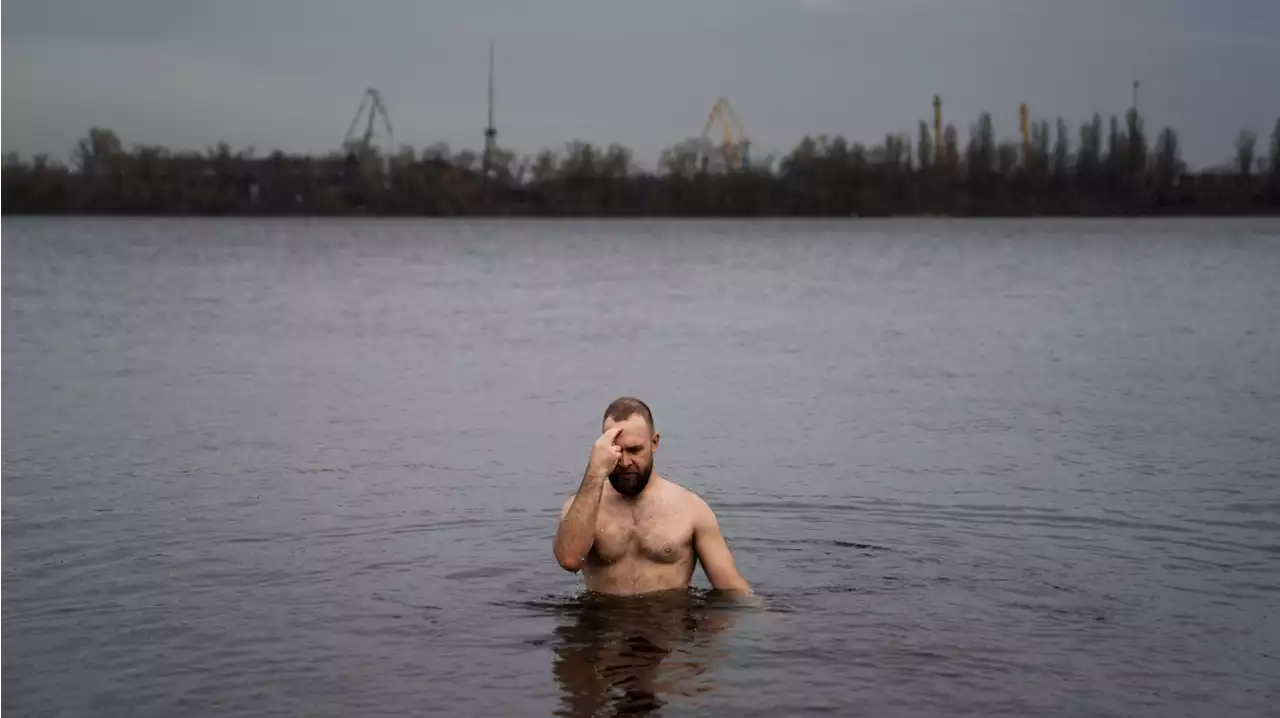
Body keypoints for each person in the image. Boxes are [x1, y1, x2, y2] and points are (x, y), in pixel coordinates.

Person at [553, 397, 751, 596]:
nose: (625, 461)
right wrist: (595, 471)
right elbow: (569, 560)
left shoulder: (692, 510)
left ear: (654, 443)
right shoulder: (583, 507)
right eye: (617, 450)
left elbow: (732, 589)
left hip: (668, 622)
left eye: (634, 450)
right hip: (603, 623)